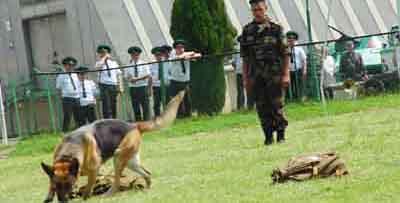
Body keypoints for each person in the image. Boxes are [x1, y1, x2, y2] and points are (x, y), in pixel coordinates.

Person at [241, 0, 290, 145]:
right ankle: (268, 136)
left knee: (277, 105)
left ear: (265, 9)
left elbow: (286, 53)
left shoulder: (276, 29)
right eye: (254, 10)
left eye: (259, 9)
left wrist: (286, 74)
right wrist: (245, 79)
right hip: (256, 75)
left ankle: (281, 135)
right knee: (262, 107)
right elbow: (245, 57)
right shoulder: (247, 30)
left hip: (274, 75)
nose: (257, 12)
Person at [169, 39, 201, 118]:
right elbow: (179, 57)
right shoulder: (173, 56)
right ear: (175, 49)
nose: (180, 49)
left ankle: (188, 115)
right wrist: (189, 54)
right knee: (177, 100)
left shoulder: (186, 56)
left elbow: (199, 55)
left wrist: (189, 55)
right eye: (178, 48)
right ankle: (179, 116)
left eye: (182, 47)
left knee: (187, 100)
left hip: (185, 81)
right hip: (175, 81)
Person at [125, 46, 151, 121]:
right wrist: (130, 79)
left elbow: (147, 75)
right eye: (133, 55)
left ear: (139, 55)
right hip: (133, 88)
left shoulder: (144, 63)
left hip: (143, 87)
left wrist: (137, 79)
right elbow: (126, 76)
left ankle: (147, 121)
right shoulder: (128, 65)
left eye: (136, 54)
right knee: (135, 106)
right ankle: (138, 121)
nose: (134, 56)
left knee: (145, 106)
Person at [96, 45, 121, 119]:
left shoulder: (114, 63)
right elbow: (98, 68)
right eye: (101, 53)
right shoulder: (99, 63)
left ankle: (114, 119)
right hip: (104, 85)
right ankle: (107, 121)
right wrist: (104, 59)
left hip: (113, 85)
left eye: (105, 52)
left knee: (114, 104)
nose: (103, 54)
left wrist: (120, 86)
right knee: (106, 105)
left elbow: (119, 74)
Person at [56, 57, 80, 132]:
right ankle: (64, 131)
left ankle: (79, 131)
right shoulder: (61, 76)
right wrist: (61, 98)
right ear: (65, 66)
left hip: (76, 97)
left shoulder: (76, 75)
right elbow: (58, 88)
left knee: (78, 116)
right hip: (67, 98)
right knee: (67, 116)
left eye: (72, 65)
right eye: (68, 65)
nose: (70, 67)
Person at [286, 31, 307, 101]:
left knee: (299, 85)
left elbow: (304, 60)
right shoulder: (285, 49)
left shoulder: (299, 49)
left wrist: (304, 70)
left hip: (298, 69)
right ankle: (290, 98)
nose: (291, 40)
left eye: (292, 39)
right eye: (289, 38)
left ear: (295, 40)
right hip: (289, 70)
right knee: (289, 85)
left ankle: (300, 98)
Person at [150, 46, 169, 117]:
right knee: (156, 104)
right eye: (156, 55)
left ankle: (167, 117)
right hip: (156, 86)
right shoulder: (152, 64)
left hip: (166, 85)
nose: (158, 56)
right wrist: (150, 87)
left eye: (160, 55)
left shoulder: (167, 62)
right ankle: (157, 118)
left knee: (167, 103)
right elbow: (150, 77)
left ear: (162, 55)